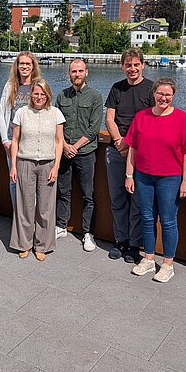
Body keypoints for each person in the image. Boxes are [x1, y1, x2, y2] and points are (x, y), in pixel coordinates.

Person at [124, 78, 186, 283]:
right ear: (154, 94)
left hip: (170, 178)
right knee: (147, 218)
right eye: (160, 94)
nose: (163, 98)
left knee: (167, 220)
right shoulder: (142, 117)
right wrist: (129, 175)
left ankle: (167, 264)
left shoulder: (182, 119)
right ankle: (149, 258)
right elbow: (133, 148)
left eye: (168, 95)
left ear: (173, 96)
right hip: (144, 176)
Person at [105, 48, 155, 263]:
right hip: (117, 150)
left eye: (136, 64)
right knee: (118, 199)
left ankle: (134, 244)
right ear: (122, 67)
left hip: (142, 152)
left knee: (137, 201)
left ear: (142, 65)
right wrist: (119, 141)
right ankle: (120, 240)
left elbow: (155, 120)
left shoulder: (151, 89)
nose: (132, 69)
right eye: (128, 65)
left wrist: (130, 143)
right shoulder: (117, 88)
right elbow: (109, 118)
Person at [9, 78, 65, 261]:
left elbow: (59, 142)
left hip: (48, 163)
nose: (39, 97)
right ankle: (23, 243)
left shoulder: (56, 113)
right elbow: (15, 141)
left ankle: (42, 244)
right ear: (31, 95)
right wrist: (14, 166)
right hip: (25, 161)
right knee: (24, 205)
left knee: (45, 207)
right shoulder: (21, 113)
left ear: (48, 95)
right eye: (36, 93)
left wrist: (56, 166)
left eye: (42, 94)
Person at [55, 59, 104, 251]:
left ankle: (88, 233)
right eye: (73, 71)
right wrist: (65, 146)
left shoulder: (95, 97)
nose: (77, 74)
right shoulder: (62, 96)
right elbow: (57, 124)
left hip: (85, 153)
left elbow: (94, 129)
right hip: (65, 151)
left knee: (88, 194)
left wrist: (74, 146)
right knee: (63, 191)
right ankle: (61, 225)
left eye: (80, 71)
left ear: (86, 72)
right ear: (69, 74)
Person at [0, 51, 41, 209]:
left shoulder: (37, 85)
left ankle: (32, 220)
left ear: (33, 67)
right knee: (14, 181)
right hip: (13, 141)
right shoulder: (10, 85)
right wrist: (5, 140)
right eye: (21, 63)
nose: (24, 67)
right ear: (16, 66)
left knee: (33, 183)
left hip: (32, 142)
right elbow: (2, 114)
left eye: (27, 64)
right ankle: (18, 219)